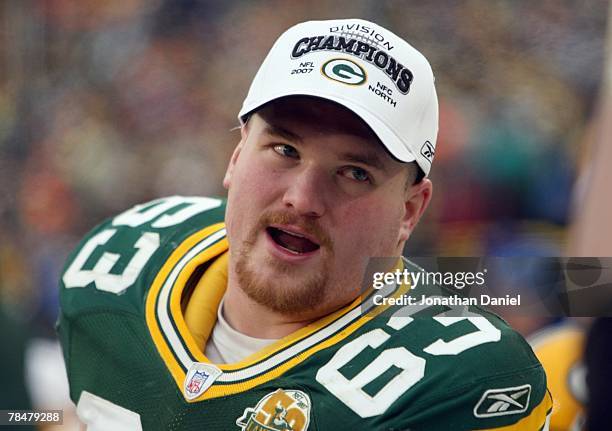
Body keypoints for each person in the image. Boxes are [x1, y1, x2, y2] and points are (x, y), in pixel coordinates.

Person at [57, 18, 552, 430]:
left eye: (355, 173)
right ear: (235, 156)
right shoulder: (112, 275)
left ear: (409, 212)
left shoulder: (459, 383)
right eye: (284, 150)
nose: (303, 199)